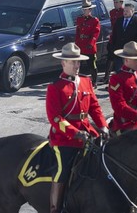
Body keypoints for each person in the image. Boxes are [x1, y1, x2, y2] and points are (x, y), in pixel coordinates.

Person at [46, 42, 109, 213]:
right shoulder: (55, 86)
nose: (76, 65)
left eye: (78, 62)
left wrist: (103, 126)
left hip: (88, 132)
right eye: (72, 62)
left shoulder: (86, 82)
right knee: (63, 170)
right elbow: (56, 118)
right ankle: (55, 208)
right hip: (64, 138)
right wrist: (75, 133)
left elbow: (95, 107)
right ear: (63, 63)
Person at [110, 3, 137, 72]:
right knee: (119, 71)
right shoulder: (119, 20)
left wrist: (136, 51)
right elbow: (114, 35)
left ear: (132, 11)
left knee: (130, 72)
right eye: (124, 11)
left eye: (127, 11)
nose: (125, 13)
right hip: (119, 51)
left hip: (131, 53)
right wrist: (113, 47)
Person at [75, 0, 101, 88]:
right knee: (78, 65)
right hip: (81, 45)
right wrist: (76, 43)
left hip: (89, 46)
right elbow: (78, 32)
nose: (85, 11)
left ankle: (94, 81)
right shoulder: (79, 19)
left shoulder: (94, 20)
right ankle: (78, 81)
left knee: (91, 65)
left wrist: (91, 43)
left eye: (87, 9)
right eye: (84, 9)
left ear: (90, 10)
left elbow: (96, 33)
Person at [100, 0, 125, 84]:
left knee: (120, 59)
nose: (115, 4)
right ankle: (106, 76)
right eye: (114, 2)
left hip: (121, 37)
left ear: (121, 2)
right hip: (113, 37)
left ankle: (120, 77)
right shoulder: (112, 12)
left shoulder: (124, 12)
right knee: (110, 57)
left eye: (117, 2)